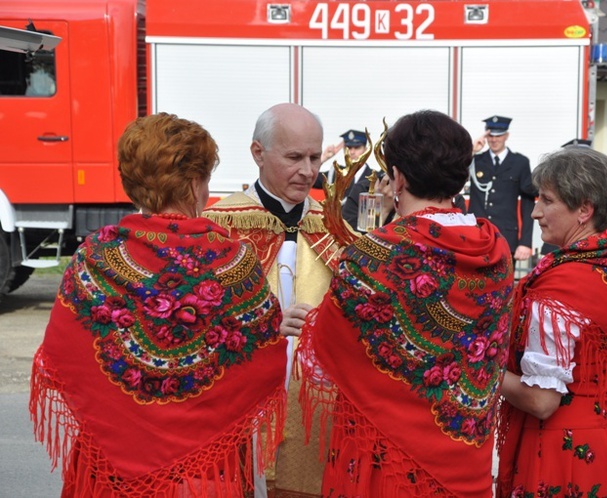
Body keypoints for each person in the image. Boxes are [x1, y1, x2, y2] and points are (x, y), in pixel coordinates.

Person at [29, 112, 288, 497]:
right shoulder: (234, 261)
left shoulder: (95, 255)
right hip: (207, 474)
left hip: (111, 475)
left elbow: (65, 356)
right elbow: (265, 363)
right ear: (196, 182)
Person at [293, 110, 515, 496]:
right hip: (468, 460)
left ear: (398, 176)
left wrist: (311, 320)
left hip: (390, 463)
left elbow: (330, 352)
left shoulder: (376, 252)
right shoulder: (496, 250)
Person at [496, 147, 607, 497]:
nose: (535, 211)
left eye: (547, 200)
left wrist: (476, 365)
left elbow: (541, 400)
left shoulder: (561, 285)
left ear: (584, 209)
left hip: (566, 454)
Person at [202, 103, 341, 498]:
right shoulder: (218, 227)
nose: (309, 170)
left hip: (314, 414)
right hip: (238, 406)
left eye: (315, 157)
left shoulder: (333, 226)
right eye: (295, 157)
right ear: (257, 153)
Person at [468, 115, 536, 261]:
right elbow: (453, 177)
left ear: (506, 136)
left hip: (506, 237)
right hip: (477, 236)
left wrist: (525, 242)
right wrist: (471, 151)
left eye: (498, 136)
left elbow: (528, 202)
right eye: (490, 136)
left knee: (506, 283)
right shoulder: (475, 160)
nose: (494, 140)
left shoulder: (520, 162)